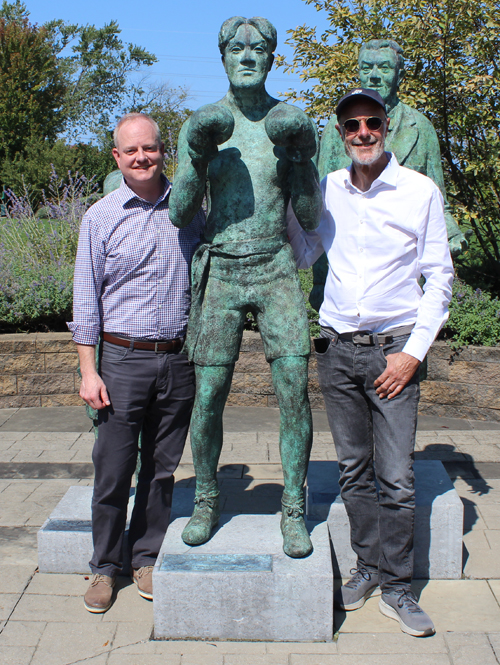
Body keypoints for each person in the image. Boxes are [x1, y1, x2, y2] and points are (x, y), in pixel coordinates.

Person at [287, 88, 454, 637]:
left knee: (398, 478)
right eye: (351, 125)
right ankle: (367, 567)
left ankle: (400, 586)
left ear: (386, 126)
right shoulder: (326, 188)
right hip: (337, 349)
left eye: (372, 122)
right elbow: (305, 250)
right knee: (354, 472)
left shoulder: (418, 191)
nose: (362, 132)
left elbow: (440, 278)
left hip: (392, 352)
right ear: (340, 134)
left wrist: (412, 353)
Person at [168, 16, 322, 558]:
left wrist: (301, 159)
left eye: (259, 49)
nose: (248, 56)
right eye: (237, 48)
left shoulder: (290, 121)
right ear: (224, 57)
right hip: (223, 269)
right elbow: (180, 212)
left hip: (275, 266)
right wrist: (195, 155)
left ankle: (294, 508)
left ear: (273, 58)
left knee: (294, 393)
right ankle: (206, 498)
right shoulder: (205, 121)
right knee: (208, 396)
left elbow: (308, 215)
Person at [68, 113, 204, 613]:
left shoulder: (190, 213)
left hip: (178, 359)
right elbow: (85, 301)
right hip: (121, 360)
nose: (142, 158)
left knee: (161, 469)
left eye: (150, 148)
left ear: (163, 150)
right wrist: (89, 370)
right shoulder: (100, 218)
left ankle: (145, 556)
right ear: (117, 158)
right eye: (131, 152)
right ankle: (105, 566)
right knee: (113, 470)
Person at [311, 38, 466, 311]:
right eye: (366, 67)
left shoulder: (421, 128)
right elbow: (321, 208)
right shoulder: (337, 133)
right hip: (342, 293)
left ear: (399, 74)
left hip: (400, 295)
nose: (374, 75)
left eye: (383, 67)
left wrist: (450, 233)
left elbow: (438, 201)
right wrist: (320, 282)